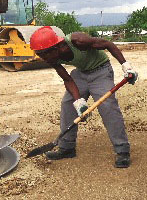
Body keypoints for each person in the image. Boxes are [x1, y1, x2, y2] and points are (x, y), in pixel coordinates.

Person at [29, 26, 138, 168]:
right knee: (68, 104)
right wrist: (78, 101)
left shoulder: (77, 40)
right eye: (39, 54)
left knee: (107, 106)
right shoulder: (51, 57)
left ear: (55, 48)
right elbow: (68, 80)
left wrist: (126, 66)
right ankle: (66, 148)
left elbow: (108, 44)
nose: (41, 58)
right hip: (81, 73)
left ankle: (122, 150)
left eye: (43, 54)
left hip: (101, 70)